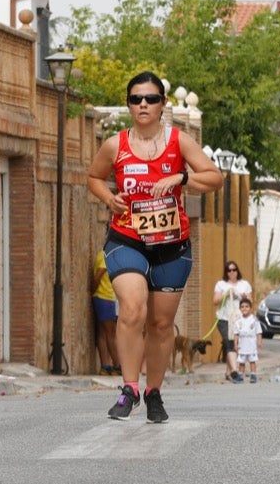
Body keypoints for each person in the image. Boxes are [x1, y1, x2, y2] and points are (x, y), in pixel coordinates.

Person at [87, 72, 223, 423]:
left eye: (150, 99)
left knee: (161, 325)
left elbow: (215, 177)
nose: (142, 105)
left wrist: (183, 178)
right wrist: (109, 198)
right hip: (127, 239)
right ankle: (130, 388)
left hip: (171, 245)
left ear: (163, 104)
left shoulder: (180, 142)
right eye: (135, 99)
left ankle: (154, 392)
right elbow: (93, 177)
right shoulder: (115, 145)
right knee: (132, 308)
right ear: (129, 105)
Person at [212, 261, 252, 383]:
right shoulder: (221, 284)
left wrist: (242, 295)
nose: (232, 272)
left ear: (237, 271)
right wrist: (225, 294)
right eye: (229, 270)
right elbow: (215, 301)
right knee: (229, 341)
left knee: (235, 344)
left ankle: (228, 372)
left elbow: (250, 301)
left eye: (234, 269)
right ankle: (235, 372)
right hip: (224, 319)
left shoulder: (244, 284)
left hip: (239, 320)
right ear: (226, 272)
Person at [92, 249, 119, 376]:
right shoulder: (106, 255)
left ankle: (105, 366)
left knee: (102, 333)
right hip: (105, 297)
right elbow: (99, 275)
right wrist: (93, 289)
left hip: (102, 298)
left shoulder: (103, 254)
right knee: (111, 333)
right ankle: (117, 366)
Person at [234, 298, 263, 383]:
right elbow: (236, 334)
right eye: (242, 307)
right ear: (240, 309)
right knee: (241, 362)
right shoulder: (238, 322)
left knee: (252, 360)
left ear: (250, 308)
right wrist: (235, 344)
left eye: (247, 306)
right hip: (242, 345)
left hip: (251, 344)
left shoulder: (254, 320)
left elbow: (258, 332)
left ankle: (253, 375)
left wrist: (259, 341)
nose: (244, 308)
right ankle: (240, 376)